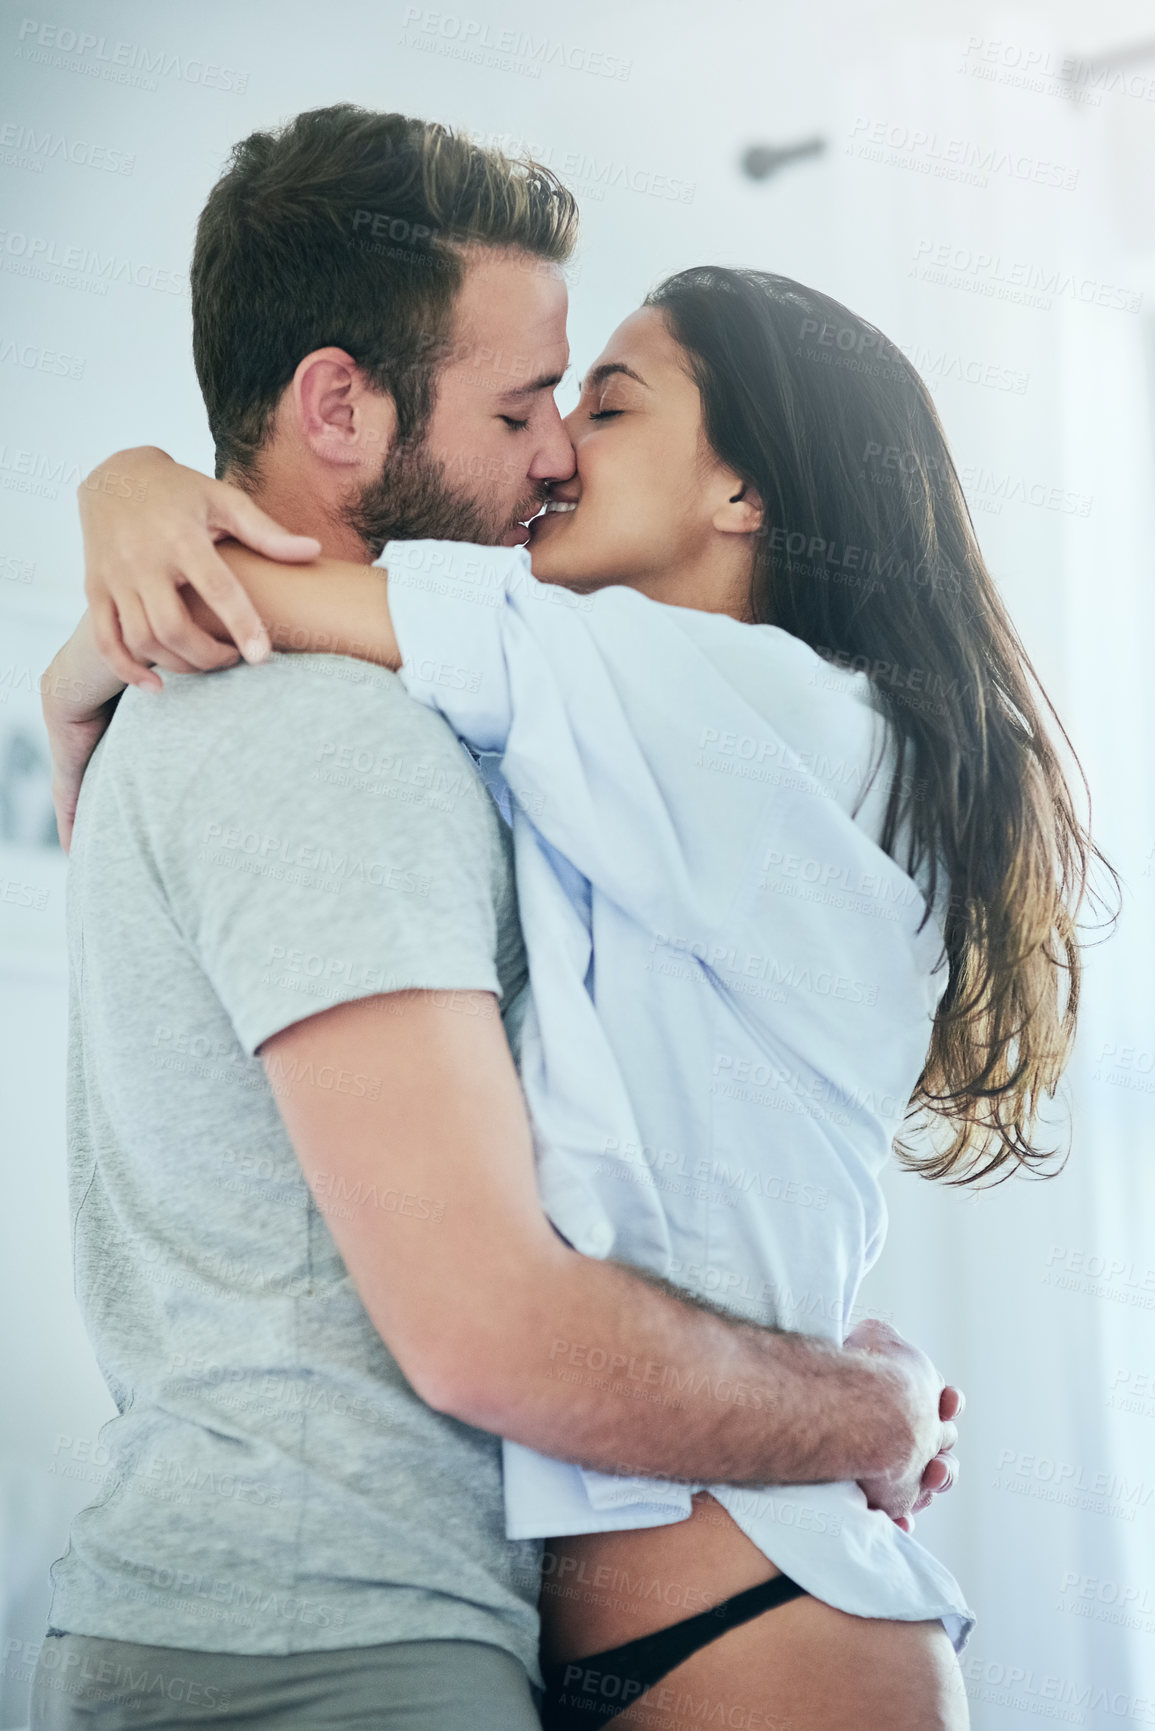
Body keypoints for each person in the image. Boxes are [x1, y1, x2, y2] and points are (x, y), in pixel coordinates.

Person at [33, 109, 962, 1731]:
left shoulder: (666, 716)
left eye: (593, 405)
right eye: (532, 403)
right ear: (343, 400)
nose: (554, 454)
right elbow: (488, 1331)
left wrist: (124, 568)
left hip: (611, 1608)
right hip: (350, 1641)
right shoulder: (340, 730)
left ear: (748, 486)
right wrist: (870, 1412)